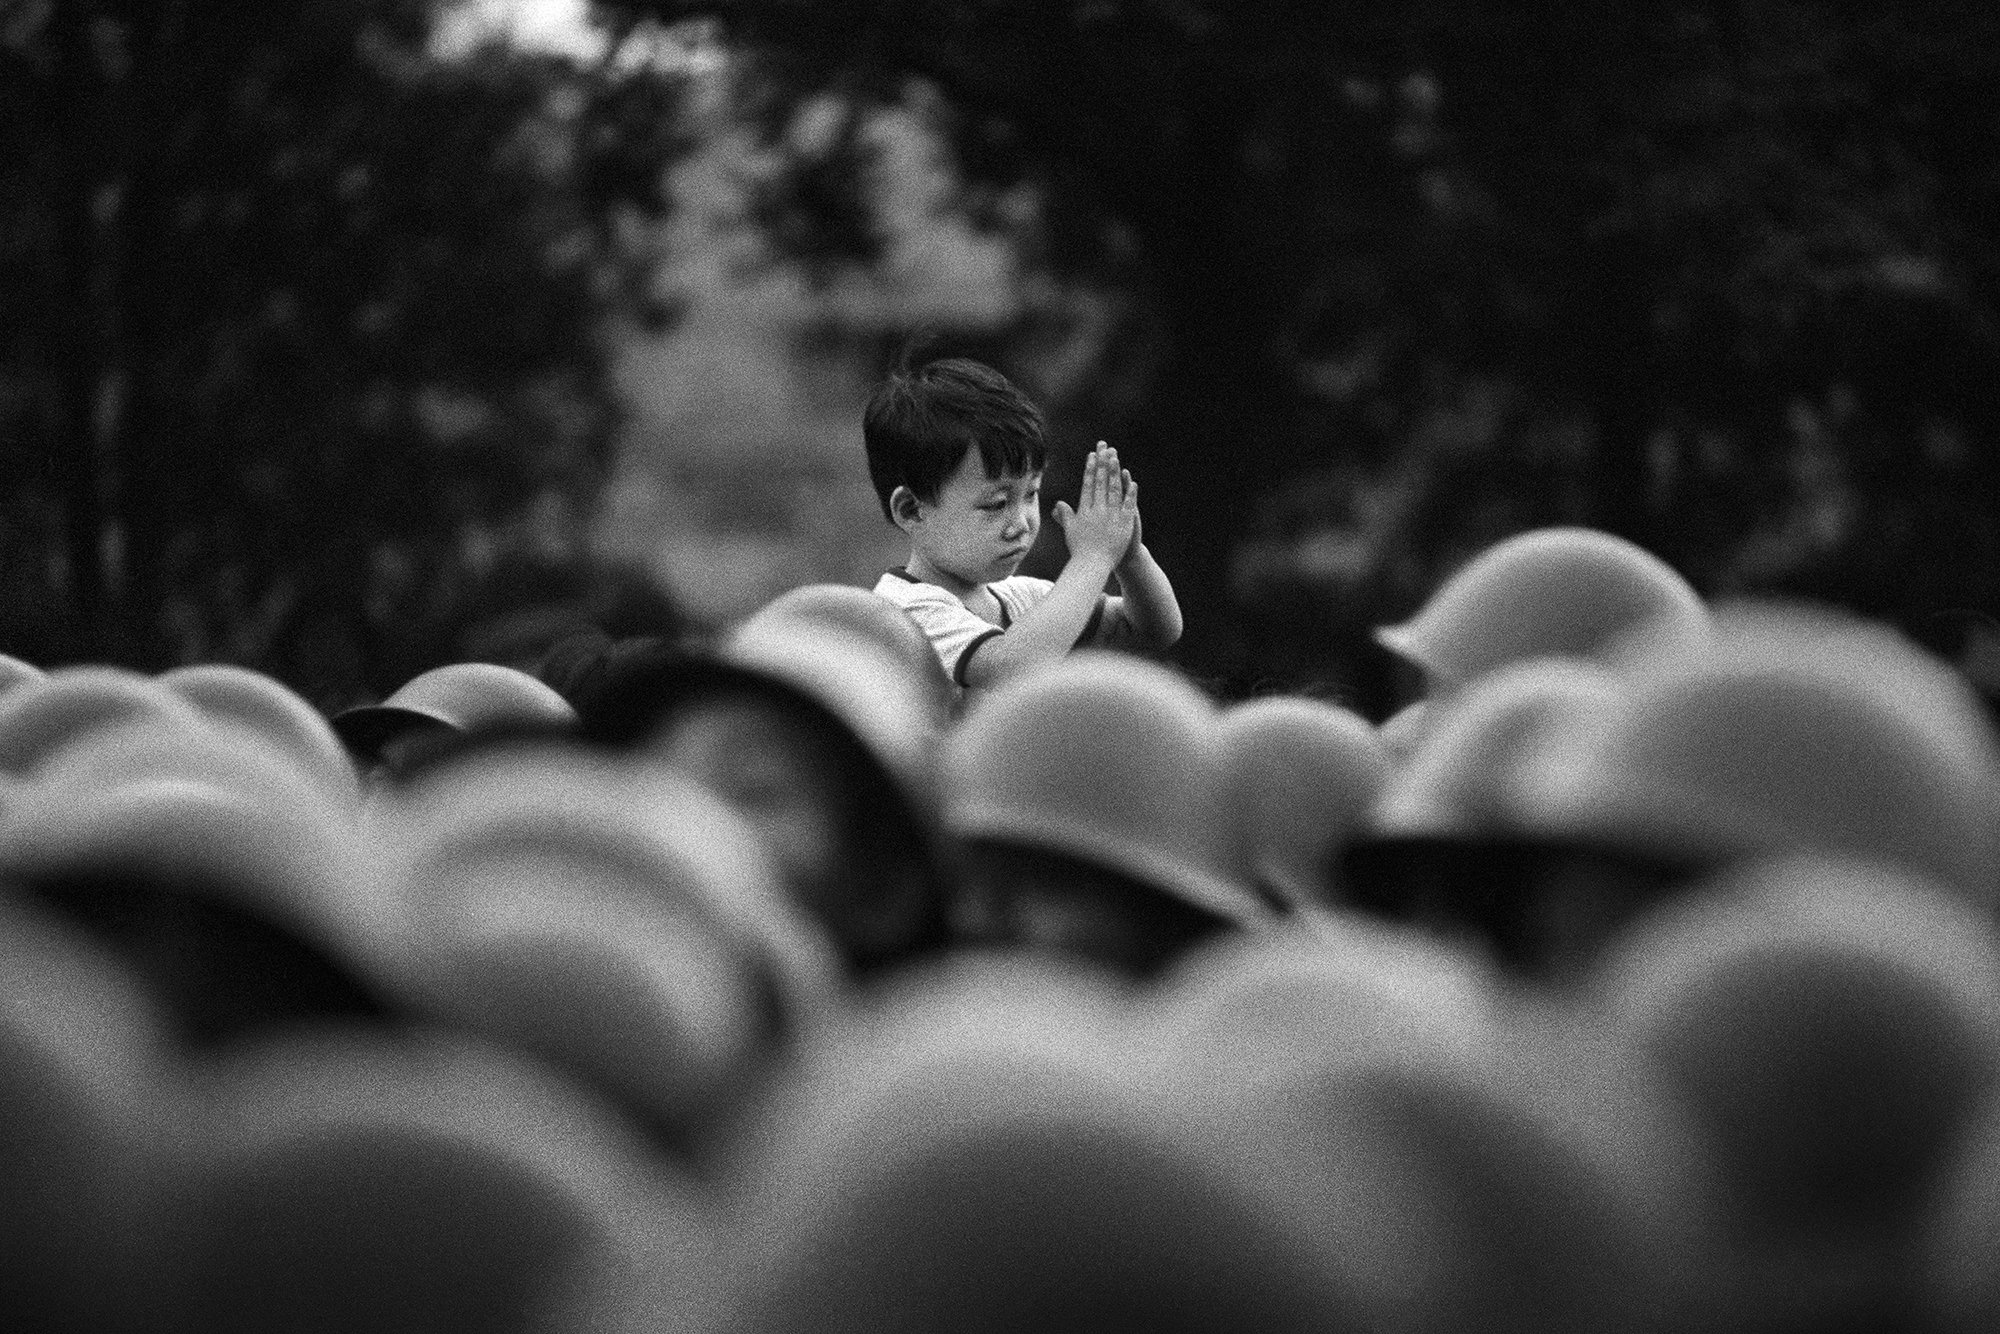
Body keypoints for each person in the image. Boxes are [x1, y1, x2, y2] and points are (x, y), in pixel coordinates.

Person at [862, 357, 1182, 697]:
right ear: (911, 510)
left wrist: (1129, 558)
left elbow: (1153, 630)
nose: (1021, 524)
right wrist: (1092, 559)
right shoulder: (905, 612)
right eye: (997, 504)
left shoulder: (1025, 598)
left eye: (1031, 493)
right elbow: (1010, 669)